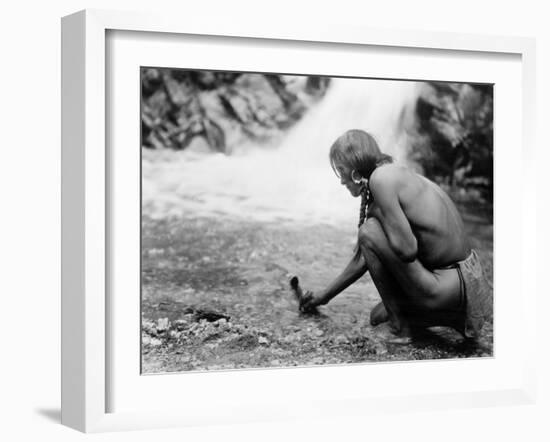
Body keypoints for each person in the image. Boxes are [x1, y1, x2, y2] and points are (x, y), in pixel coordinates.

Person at [300, 129, 492, 341]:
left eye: (341, 170)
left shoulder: (380, 180)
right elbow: (363, 258)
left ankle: (401, 329)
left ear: (355, 172)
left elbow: (407, 249)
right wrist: (323, 297)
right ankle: (452, 319)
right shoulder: (394, 174)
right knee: (378, 316)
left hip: (449, 285)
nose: (341, 180)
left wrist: (377, 219)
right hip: (466, 284)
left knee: (368, 230)